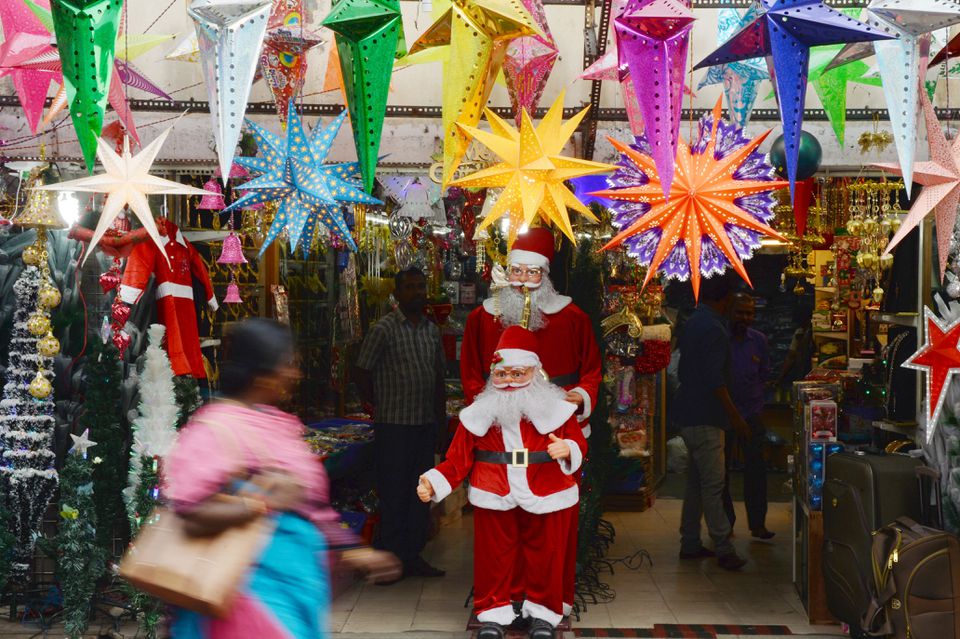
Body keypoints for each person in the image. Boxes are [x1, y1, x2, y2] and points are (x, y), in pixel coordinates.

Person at [164, 318, 400, 638]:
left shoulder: (277, 422)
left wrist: (353, 549)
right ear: (261, 373)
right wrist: (262, 502)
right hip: (248, 601)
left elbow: (308, 504)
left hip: (296, 593)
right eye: (286, 364)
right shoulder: (214, 428)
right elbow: (191, 514)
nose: (294, 373)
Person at [460, 227, 601, 615]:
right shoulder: (481, 319)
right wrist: (484, 409)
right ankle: (501, 598)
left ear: (545, 275)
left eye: (531, 273)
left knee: (552, 524)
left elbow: (591, 369)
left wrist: (581, 396)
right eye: (516, 272)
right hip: (498, 433)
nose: (522, 282)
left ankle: (548, 598)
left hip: (555, 432)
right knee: (498, 525)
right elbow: (472, 372)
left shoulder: (572, 317)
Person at [417, 326, 587, 639]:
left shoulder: (559, 410)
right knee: (494, 557)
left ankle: (542, 614)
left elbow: (578, 443)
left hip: (546, 489)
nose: (508, 381)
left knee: (544, 554)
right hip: (494, 490)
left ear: (535, 373)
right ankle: (493, 613)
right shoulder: (478, 413)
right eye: (501, 373)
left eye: (518, 373)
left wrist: (568, 450)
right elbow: (458, 459)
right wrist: (434, 482)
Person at [354, 267, 447, 583]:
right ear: (397, 293)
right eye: (410, 287)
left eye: (421, 287)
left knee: (420, 494)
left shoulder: (431, 331)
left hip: (423, 424)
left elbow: (437, 381)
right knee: (393, 494)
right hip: (393, 426)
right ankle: (390, 561)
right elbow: (362, 371)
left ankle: (412, 556)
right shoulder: (384, 329)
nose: (417, 293)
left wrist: (440, 424)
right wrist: (375, 405)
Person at [675, 274, 749, 571]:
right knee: (713, 484)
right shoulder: (715, 330)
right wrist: (735, 416)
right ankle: (723, 546)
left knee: (696, 483)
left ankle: (690, 541)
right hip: (707, 416)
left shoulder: (693, 322)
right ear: (725, 298)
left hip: (688, 413)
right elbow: (715, 379)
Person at [723, 293, 774, 540]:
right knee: (721, 472)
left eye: (750, 313)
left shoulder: (759, 341)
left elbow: (764, 374)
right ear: (731, 312)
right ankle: (726, 524)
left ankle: (758, 523)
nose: (746, 318)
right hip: (724, 413)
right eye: (741, 312)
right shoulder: (721, 340)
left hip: (751, 413)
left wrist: (756, 403)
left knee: (757, 469)